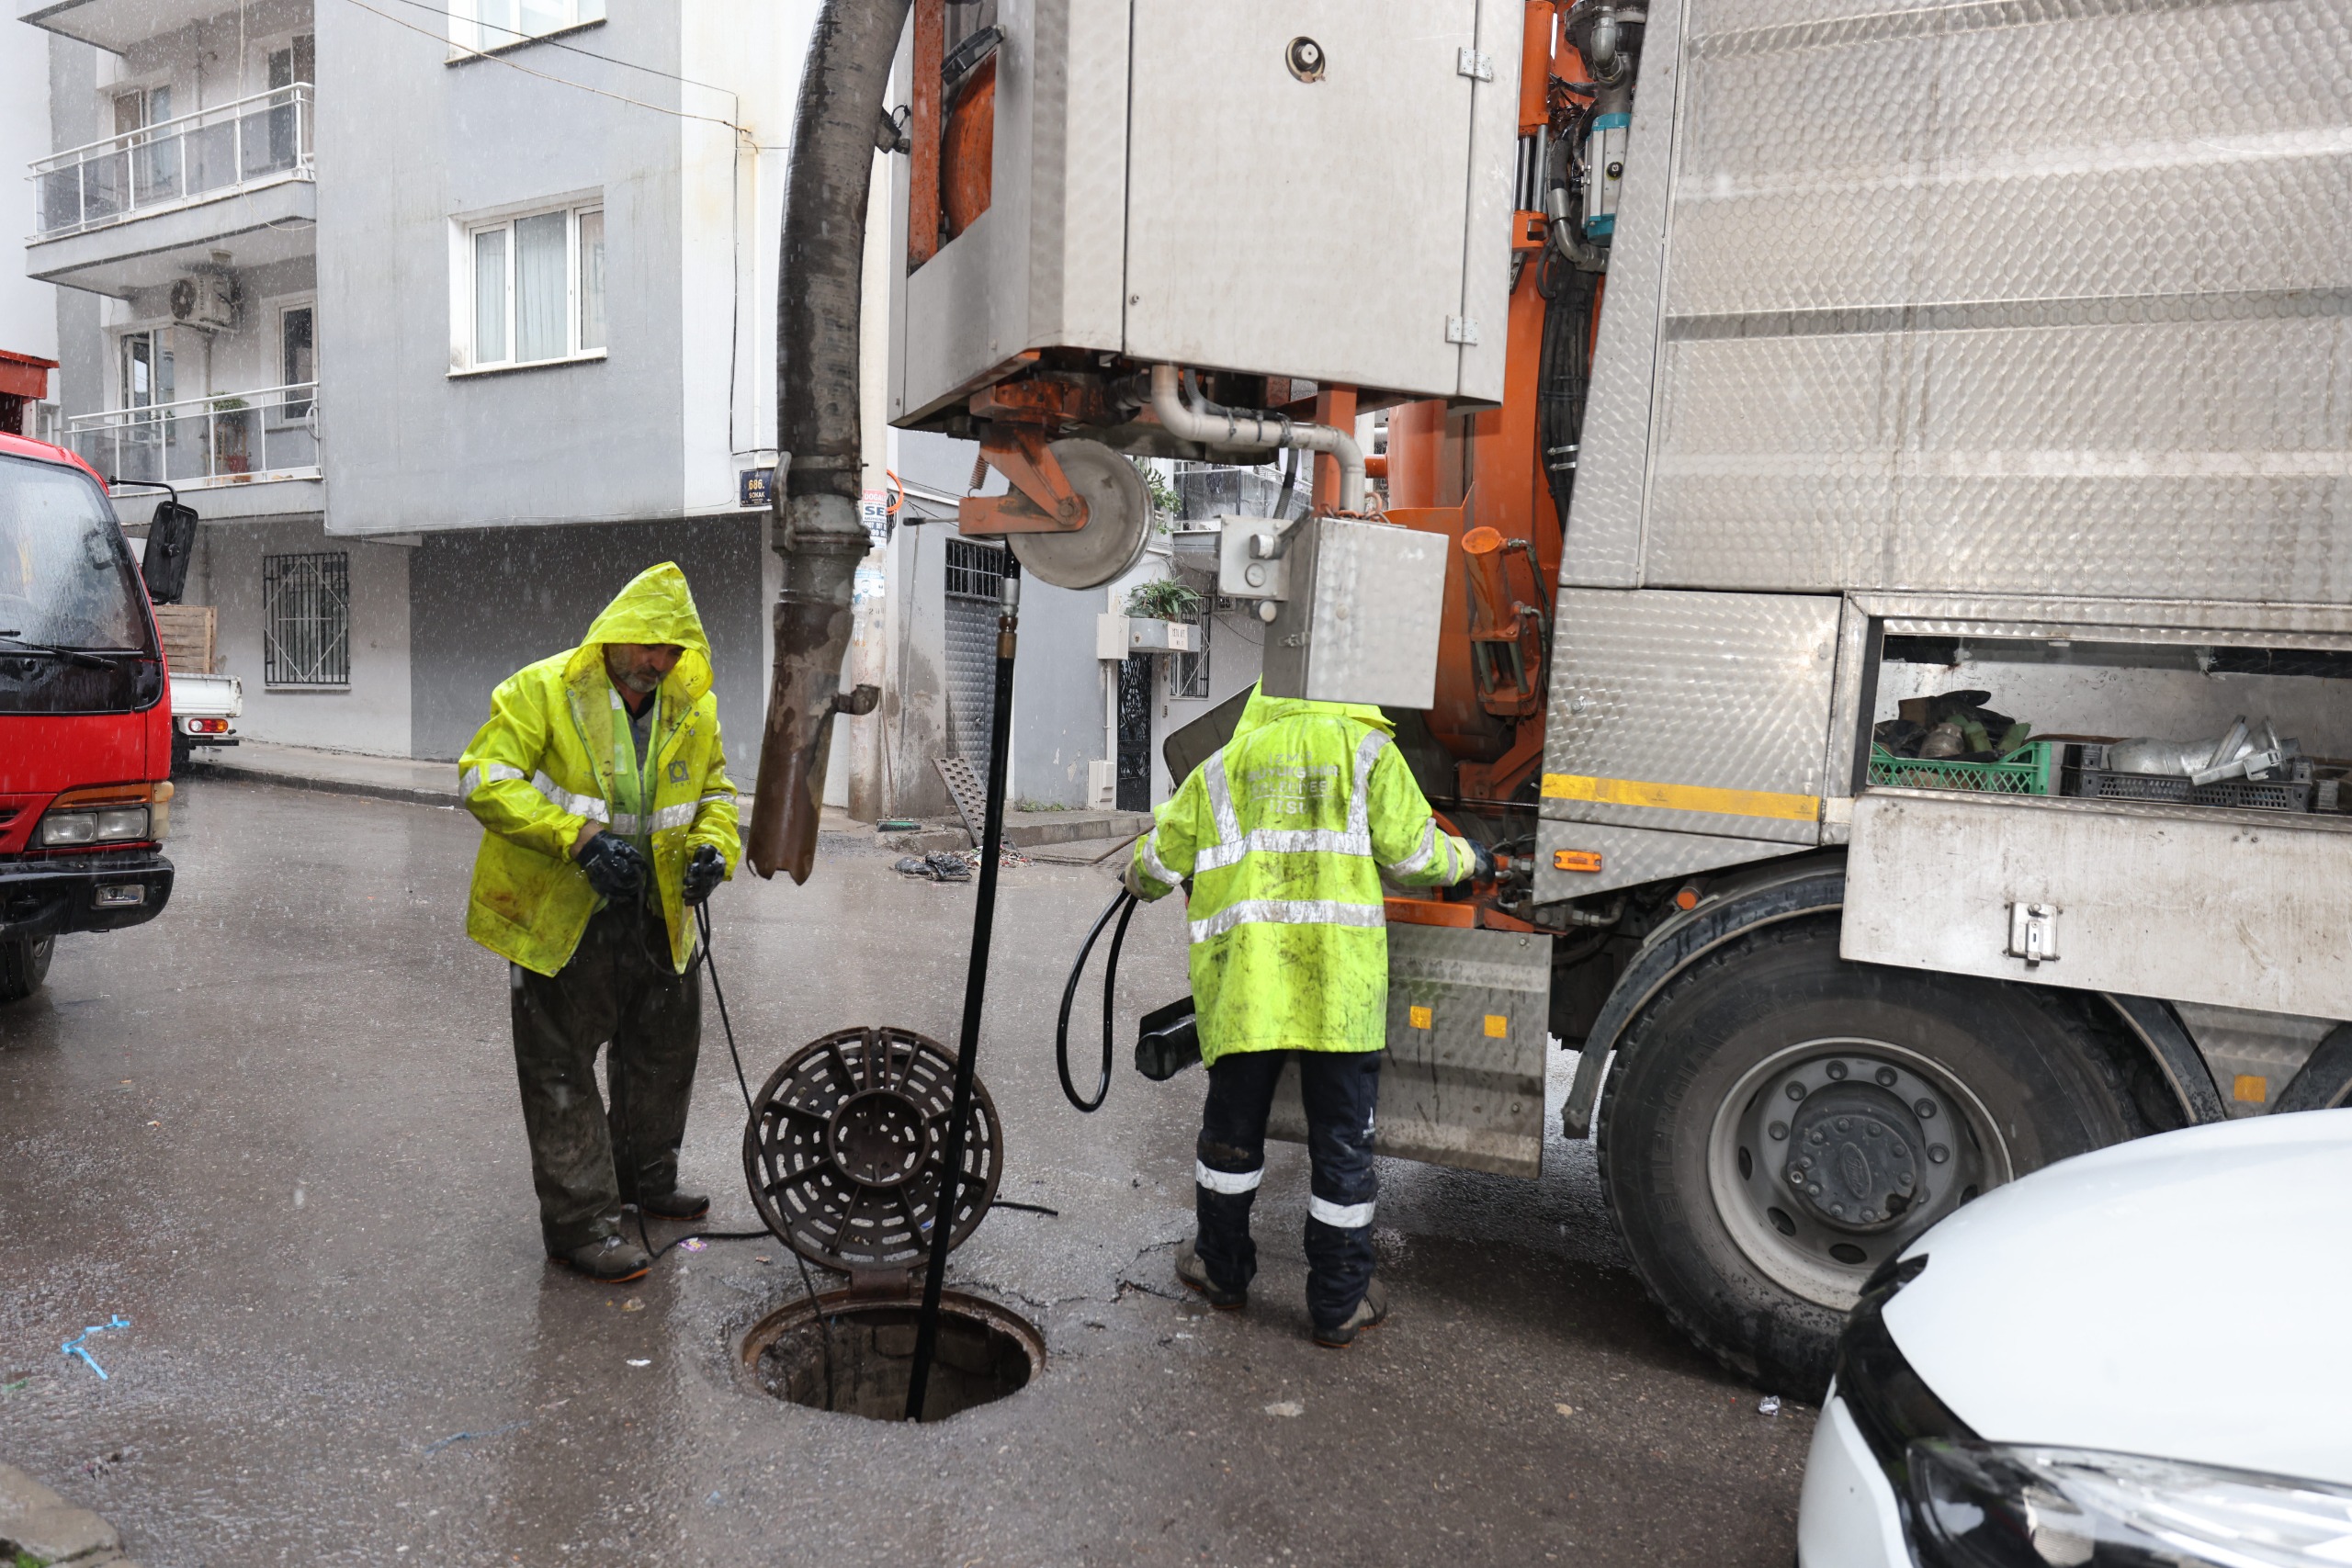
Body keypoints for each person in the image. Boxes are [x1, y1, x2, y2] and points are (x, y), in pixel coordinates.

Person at [1125, 682, 1490, 1346]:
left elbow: (1157, 859)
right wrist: (1469, 858)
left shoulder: (1226, 761)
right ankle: (1336, 1306)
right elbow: (1414, 856)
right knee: (1343, 1151)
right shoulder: (1370, 750)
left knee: (1230, 1143)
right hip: (1339, 996)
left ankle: (1223, 1273)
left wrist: (1137, 877)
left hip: (1247, 992)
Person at [458, 563, 740, 1283]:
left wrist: (715, 850)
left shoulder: (690, 707)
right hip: (564, 915)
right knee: (560, 1068)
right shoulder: (540, 690)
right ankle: (582, 1224)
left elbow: (715, 792)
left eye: (673, 651)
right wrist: (579, 841)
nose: (659, 662)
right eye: (648, 645)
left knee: (663, 1053)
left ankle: (646, 1179)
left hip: (655, 913)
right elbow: (483, 779)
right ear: (613, 634)